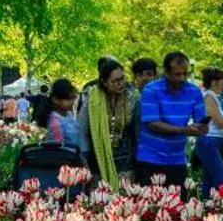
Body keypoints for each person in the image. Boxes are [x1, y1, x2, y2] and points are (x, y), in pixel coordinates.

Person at [134, 51, 206, 189]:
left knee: (179, 205)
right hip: (150, 157)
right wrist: (184, 130)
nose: (182, 78)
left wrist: (201, 128)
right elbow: (153, 124)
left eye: (185, 73)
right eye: (177, 74)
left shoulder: (194, 91)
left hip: (177, 158)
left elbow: (200, 122)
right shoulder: (151, 90)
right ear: (166, 72)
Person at [76, 58, 136, 191]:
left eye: (122, 79)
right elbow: (82, 132)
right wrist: (84, 161)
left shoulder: (132, 97)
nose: (121, 84)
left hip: (126, 159)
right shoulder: (92, 99)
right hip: (98, 158)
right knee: (102, 201)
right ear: (104, 82)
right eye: (115, 81)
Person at [194, 67, 223, 196]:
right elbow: (222, 123)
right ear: (213, 82)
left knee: (209, 181)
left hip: (212, 143)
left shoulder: (213, 97)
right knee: (221, 180)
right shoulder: (209, 97)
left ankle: (206, 209)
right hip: (209, 142)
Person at [44, 78, 84, 150]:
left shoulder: (68, 113)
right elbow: (59, 149)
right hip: (66, 158)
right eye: (68, 99)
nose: (72, 102)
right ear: (55, 100)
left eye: (72, 98)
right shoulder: (55, 122)